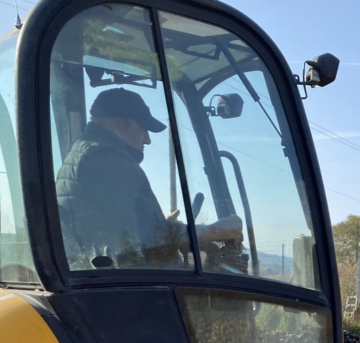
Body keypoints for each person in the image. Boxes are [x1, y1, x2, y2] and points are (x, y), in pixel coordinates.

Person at [55, 87, 241, 269]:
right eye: (142, 129)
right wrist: (215, 230)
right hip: (132, 282)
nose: (147, 139)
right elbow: (149, 239)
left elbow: (127, 229)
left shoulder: (84, 155)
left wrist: (162, 224)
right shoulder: (107, 159)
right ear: (119, 125)